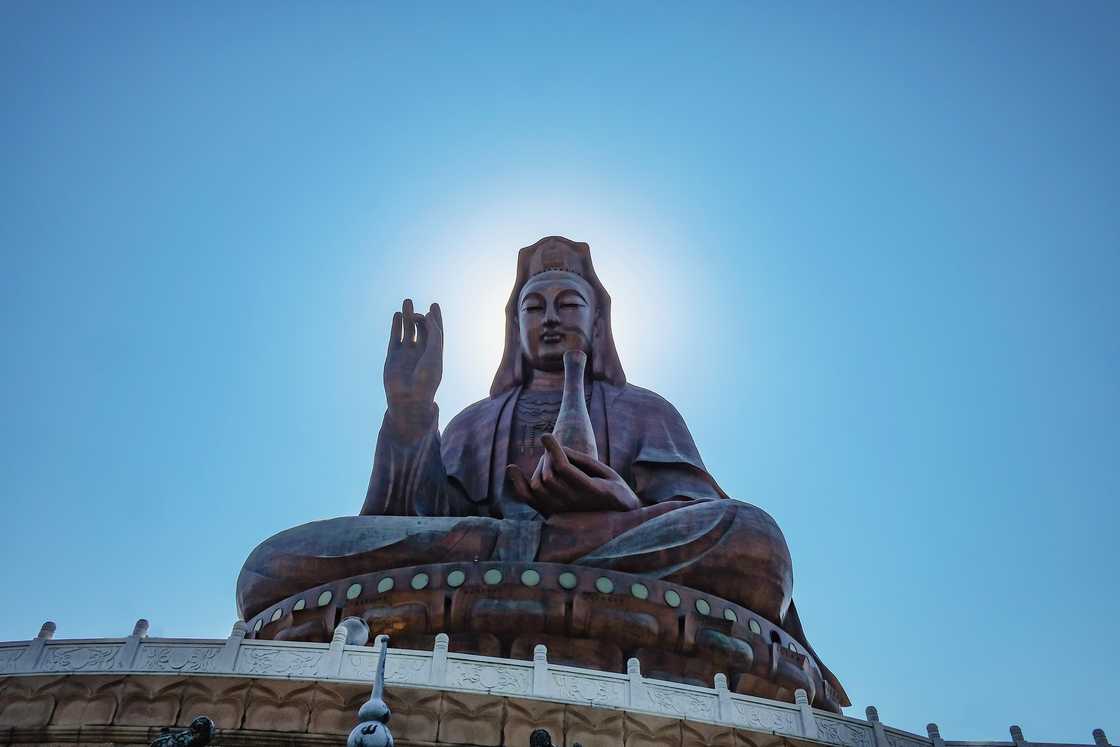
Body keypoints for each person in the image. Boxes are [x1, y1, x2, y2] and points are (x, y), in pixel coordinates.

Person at [236, 236, 844, 706]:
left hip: (597, 548)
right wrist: (410, 409)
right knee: (269, 566)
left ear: (597, 322)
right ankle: (512, 555)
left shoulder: (643, 409)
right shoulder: (477, 420)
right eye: (534, 307)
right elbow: (410, 520)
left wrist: (621, 505)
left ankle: (519, 558)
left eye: (568, 303)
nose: (550, 318)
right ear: (515, 326)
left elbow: (698, 515)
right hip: (480, 551)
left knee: (753, 538)